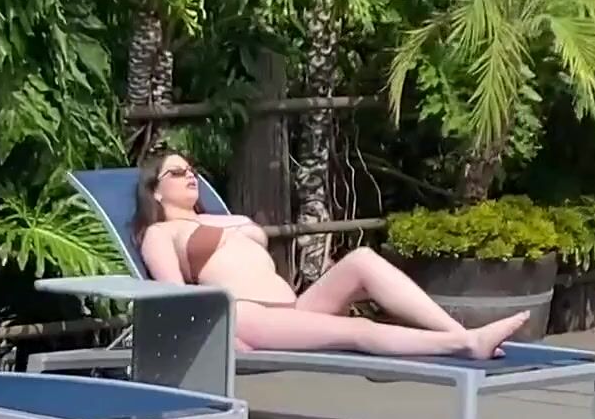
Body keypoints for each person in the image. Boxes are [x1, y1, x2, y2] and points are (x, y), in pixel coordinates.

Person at [138, 152, 529, 359]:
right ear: (155, 190)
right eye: (177, 173)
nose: (190, 175)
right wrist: (220, 338)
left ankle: (457, 332)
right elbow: (176, 298)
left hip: (292, 308)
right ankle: (465, 345)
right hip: (247, 316)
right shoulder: (160, 233)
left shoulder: (222, 219)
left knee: (362, 260)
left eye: (191, 169)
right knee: (357, 330)